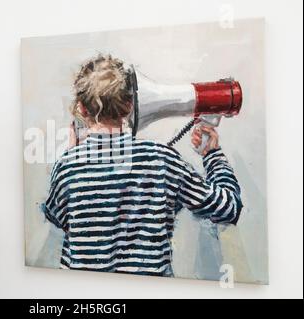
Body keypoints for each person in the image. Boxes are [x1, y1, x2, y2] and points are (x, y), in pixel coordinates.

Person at [42, 54, 243, 277]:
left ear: (82, 108)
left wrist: (74, 156)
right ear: (129, 105)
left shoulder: (66, 166)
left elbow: (57, 217)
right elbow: (228, 208)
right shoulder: (163, 159)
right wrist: (212, 155)